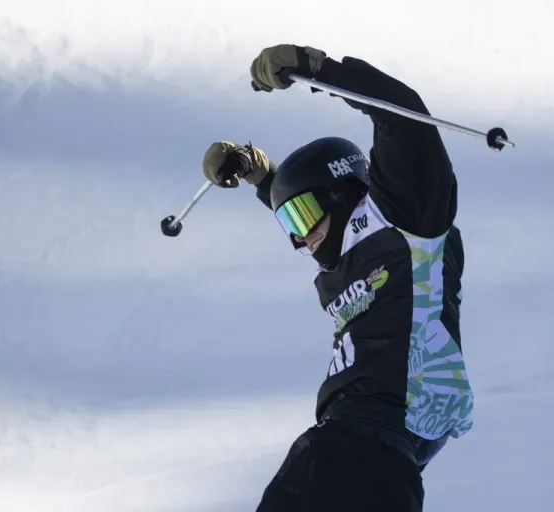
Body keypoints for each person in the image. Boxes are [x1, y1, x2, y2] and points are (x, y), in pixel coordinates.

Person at [201, 44, 474, 512]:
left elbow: (403, 116)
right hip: (373, 440)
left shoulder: (407, 217)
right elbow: (300, 205)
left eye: (304, 216)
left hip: (372, 427)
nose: (301, 239)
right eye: (289, 224)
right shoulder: (349, 249)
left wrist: (317, 68)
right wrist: (256, 171)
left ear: (344, 190)